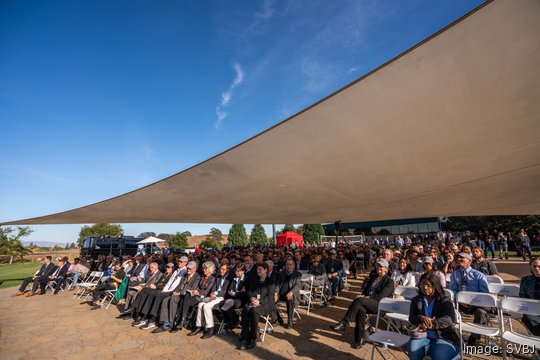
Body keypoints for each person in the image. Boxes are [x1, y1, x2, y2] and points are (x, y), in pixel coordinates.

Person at [331, 258, 394, 349]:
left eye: (381, 266)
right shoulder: (374, 278)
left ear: (386, 268)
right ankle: (359, 339)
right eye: (377, 266)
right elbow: (366, 291)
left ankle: (344, 323)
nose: (378, 268)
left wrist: (365, 297)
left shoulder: (389, 281)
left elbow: (381, 297)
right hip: (368, 302)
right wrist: (362, 295)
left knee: (359, 301)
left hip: (381, 305)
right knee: (360, 310)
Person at [407, 274, 460, 360]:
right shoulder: (416, 300)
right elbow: (412, 318)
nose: (425, 287)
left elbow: (449, 319)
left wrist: (431, 323)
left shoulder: (445, 300)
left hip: (444, 335)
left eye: (428, 285)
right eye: (422, 284)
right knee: (413, 350)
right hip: (423, 334)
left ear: (435, 285)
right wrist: (421, 318)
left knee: (439, 355)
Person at [449, 252, 489, 346]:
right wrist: (460, 300)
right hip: (460, 303)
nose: (459, 259)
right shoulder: (454, 275)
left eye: (462, 258)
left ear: (469, 261)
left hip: (476, 304)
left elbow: (484, 294)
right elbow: (453, 290)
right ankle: (455, 336)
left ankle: (474, 338)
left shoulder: (479, 275)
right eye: (458, 258)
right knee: (448, 308)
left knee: (481, 312)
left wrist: (473, 302)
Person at [153, 260, 200, 333]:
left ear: (194, 269)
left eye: (190, 268)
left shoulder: (197, 277)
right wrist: (175, 291)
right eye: (188, 268)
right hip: (180, 293)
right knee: (165, 300)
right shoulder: (185, 275)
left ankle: (171, 323)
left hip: (187, 296)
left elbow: (192, 288)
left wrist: (179, 293)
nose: (188, 270)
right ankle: (165, 322)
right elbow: (179, 285)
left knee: (173, 299)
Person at [238, 262, 276, 350]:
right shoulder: (255, 280)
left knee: (253, 311)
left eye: (260, 269)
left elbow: (270, 298)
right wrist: (252, 298)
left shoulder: (271, 281)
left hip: (267, 305)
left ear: (266, 270)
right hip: (254, 302)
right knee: (246, 309)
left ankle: (254, 338)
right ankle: (244, 337)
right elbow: (250, 291)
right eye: (257, 269)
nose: (258, 271)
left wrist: (259, 302)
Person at [188, 263, 231, 338]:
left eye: (224, 269)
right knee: (201, 304)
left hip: (221, 298)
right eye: (221, 269)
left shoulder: (229, 279)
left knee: (206, 306)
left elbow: (225, 291)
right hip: (213, 296)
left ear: (228, 270)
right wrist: (212, 293)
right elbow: (214, 287)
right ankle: (199, 326)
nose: (221, 271)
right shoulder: (218, 277)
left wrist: (215, 293)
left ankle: (210, 328)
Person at [274, 259, 302, 329]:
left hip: (291, 294)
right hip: (281, 294)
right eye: (287, 264)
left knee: (290, 300)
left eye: (290, 264)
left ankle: (290, 321)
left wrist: (291, 292)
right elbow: (277, 285)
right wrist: (276, 294)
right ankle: (279, 319)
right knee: (271, 301)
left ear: (294, 266)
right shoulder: (281, 273)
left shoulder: (298, 274)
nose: (288, 266)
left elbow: (297, 285)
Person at [518, 257, 540, 336]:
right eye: (534, 266)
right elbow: (522, 296)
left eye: (539, 266)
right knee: (526, 317)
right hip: (532, 310)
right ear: (530, 266)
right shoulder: (525, 280)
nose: (536, 268)